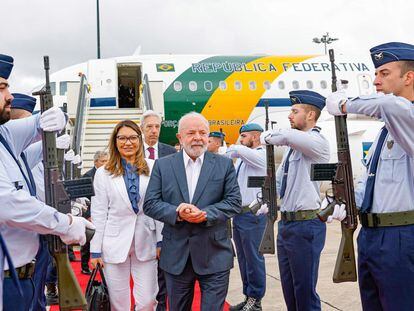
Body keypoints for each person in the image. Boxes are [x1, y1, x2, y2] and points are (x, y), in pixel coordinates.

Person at [0, 53, 94, 310]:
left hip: (25, 276)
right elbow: (7, 204)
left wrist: (54, 119)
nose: (9, 96)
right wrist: (65, 224)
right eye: (1, 88)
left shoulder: (4, 135)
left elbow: (37, 125)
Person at [325, 42, 414, 311]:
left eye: (384, 73)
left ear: (409, 77)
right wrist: (349, 201)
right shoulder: (385, 131)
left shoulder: (405, 116)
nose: (375, 81)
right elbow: (372, 180)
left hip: (402, 236)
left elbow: (389, 104)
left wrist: (343, 103)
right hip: (371, 235)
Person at [144, 112, 242, 311]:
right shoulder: (163, 165)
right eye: (191, 133)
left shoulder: (223, 165)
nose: (198, 137)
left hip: (215, 254)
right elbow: (151, 203)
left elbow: (234, 202)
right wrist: (178, 213)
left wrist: (205, 214)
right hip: (177, 256)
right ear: (180, 137)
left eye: (202, 133)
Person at [261, 90, 329, 311]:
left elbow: (287, 136)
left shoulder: (317, 142)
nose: (290, 115)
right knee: (290, 289)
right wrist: (265, 200)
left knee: (304, 290)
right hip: (288, 224)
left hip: (306, 225)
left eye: (294, 111)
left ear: (310, 115)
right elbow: (279, 182)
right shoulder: (293, 151)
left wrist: (268, 136)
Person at [90, 120, 162, 311]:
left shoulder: (155, 167)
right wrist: (95, 250)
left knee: (147, 301)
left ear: (140, 140)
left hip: (146, 241)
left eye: (132, 138)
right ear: (115, 142)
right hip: (113, 244)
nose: (127, 142)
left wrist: (161, 241)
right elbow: (98, 212)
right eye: (122, 138)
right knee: (117, 303)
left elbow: (160, 207)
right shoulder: (102, 173)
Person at [10, 93, 70, 311]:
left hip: (39, 230)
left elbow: (46, 144)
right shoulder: (9, 151)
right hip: (27, 234)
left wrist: (61, 119)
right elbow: (12, 204)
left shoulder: (21, 153)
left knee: (39, 282)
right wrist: (67, 224)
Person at [225, 123, 267, 311]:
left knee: (253, 259)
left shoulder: (261, 155)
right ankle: (248, 295)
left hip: (253, 216)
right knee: (243, 259)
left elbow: (235, 150)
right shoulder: (243, 158)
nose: (240, 140)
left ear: (255, 137)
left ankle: (256, 300)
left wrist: (235, 146)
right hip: (240, 215)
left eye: (244, 136)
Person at [140, 110, 175, 311]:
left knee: (163, 268)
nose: (154, 131)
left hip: (164, 218)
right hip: (141, 220)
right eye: (150, 127)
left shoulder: (170, 152)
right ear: (142, 129)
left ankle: (161, 306)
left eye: (157, 127)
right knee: (145, 270)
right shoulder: (133, 151)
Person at [80, 150, 108, 275]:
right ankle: (84, 266)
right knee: (87, 241)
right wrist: (88, 216)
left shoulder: (110, 174)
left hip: (106, 214)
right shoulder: (87, 176)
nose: (105, 163)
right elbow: (83, 199)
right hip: (90, 215)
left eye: (107, 161)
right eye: (103, 161)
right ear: (95, 162)